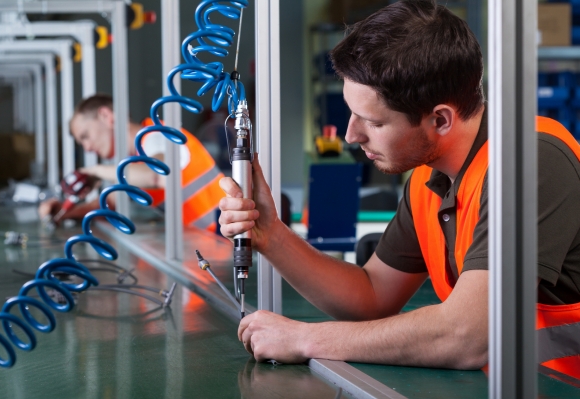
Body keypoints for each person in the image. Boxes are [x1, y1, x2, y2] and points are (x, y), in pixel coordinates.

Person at [218, 0, 580, 376]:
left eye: (372, 122)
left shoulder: (531, 162)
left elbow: (467, 336)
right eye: (351, 113)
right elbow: (372, 296)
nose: (350, 134)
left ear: (439, 119)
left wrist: (306, 339)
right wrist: (272, 235)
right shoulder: (430, 177)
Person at [39, 94, 225, 231]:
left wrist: (94, 171)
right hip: (209, 240)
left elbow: (156, 175)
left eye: (85, 136)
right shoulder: (134, 161)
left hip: (226, 235)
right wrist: (64, 212)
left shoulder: (156, 135)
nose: (87, 148)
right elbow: (110, 203)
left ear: (106, 116)